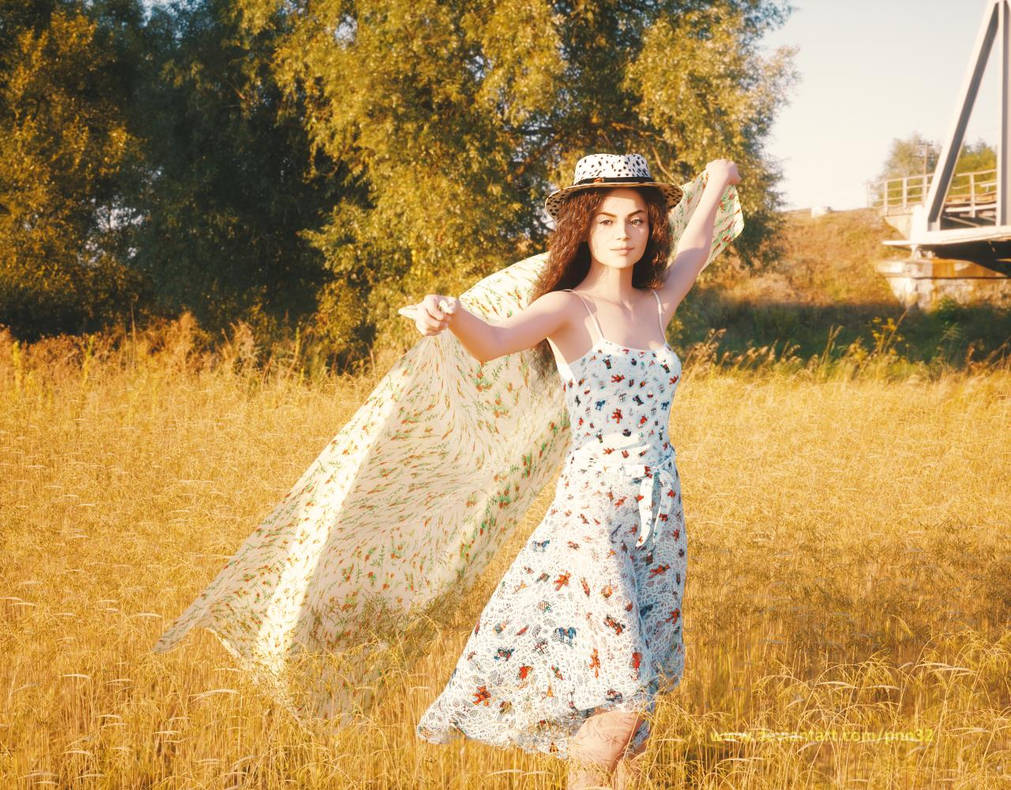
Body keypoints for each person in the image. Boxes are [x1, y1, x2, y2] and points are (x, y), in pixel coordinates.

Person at [413, 153, 741, 790]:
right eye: (607, 220)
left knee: (633, 699)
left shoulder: (655, 302)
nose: (623, 234)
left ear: (652, 229)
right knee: (624, 689)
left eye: (638, 221)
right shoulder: (567, 307)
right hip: (594, 509)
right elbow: (494, 341)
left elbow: (698, 248)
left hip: (660, 512)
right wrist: (445, 311)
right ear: (583, 229)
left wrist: (720, 179)